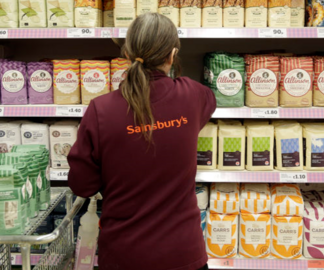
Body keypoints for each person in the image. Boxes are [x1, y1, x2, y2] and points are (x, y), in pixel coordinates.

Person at [68, 13, 216, 270]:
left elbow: (83, 185)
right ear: (172, 55)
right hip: (183, 254)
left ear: (126, 53)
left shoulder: (100, 110)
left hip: (124, 255)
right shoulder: (192, 95)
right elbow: (208, 103)